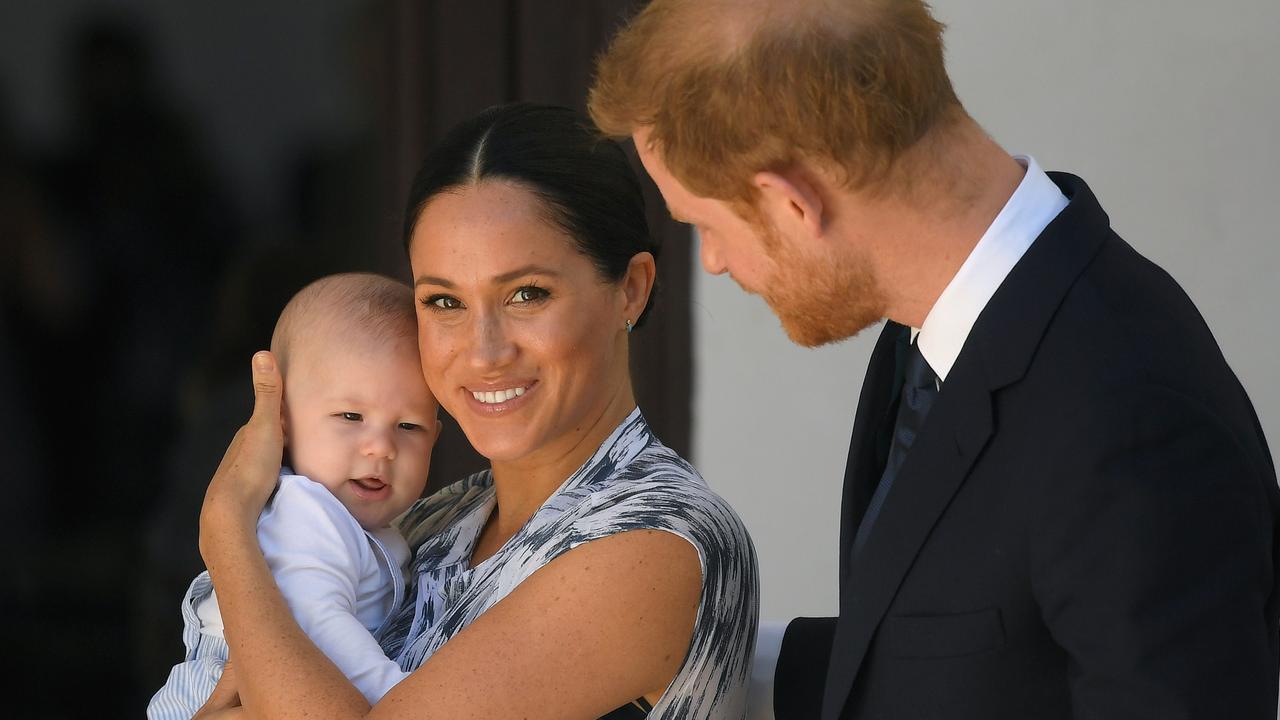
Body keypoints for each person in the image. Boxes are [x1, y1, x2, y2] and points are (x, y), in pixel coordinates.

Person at [588, 1, 1280, 719]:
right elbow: (973, 656)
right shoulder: (938, 329)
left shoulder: (1129, 416)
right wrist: (682, 650)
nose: (718, 263)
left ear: (791, 203)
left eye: (704, 224)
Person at [193, 103, 758, 719]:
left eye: (526, 294)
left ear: (632, 288)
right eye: (443, 302)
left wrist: (227, 530)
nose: (484, 353)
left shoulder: (658, 538)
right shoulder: (433, 522)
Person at [149, 273, 439, 717]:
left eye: (408, 427)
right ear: (281, 421)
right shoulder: (306, 512)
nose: (381, 446)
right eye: (350, 415)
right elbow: (318, 625)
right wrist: (400, 700)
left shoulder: (367, 524)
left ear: (435, 437)